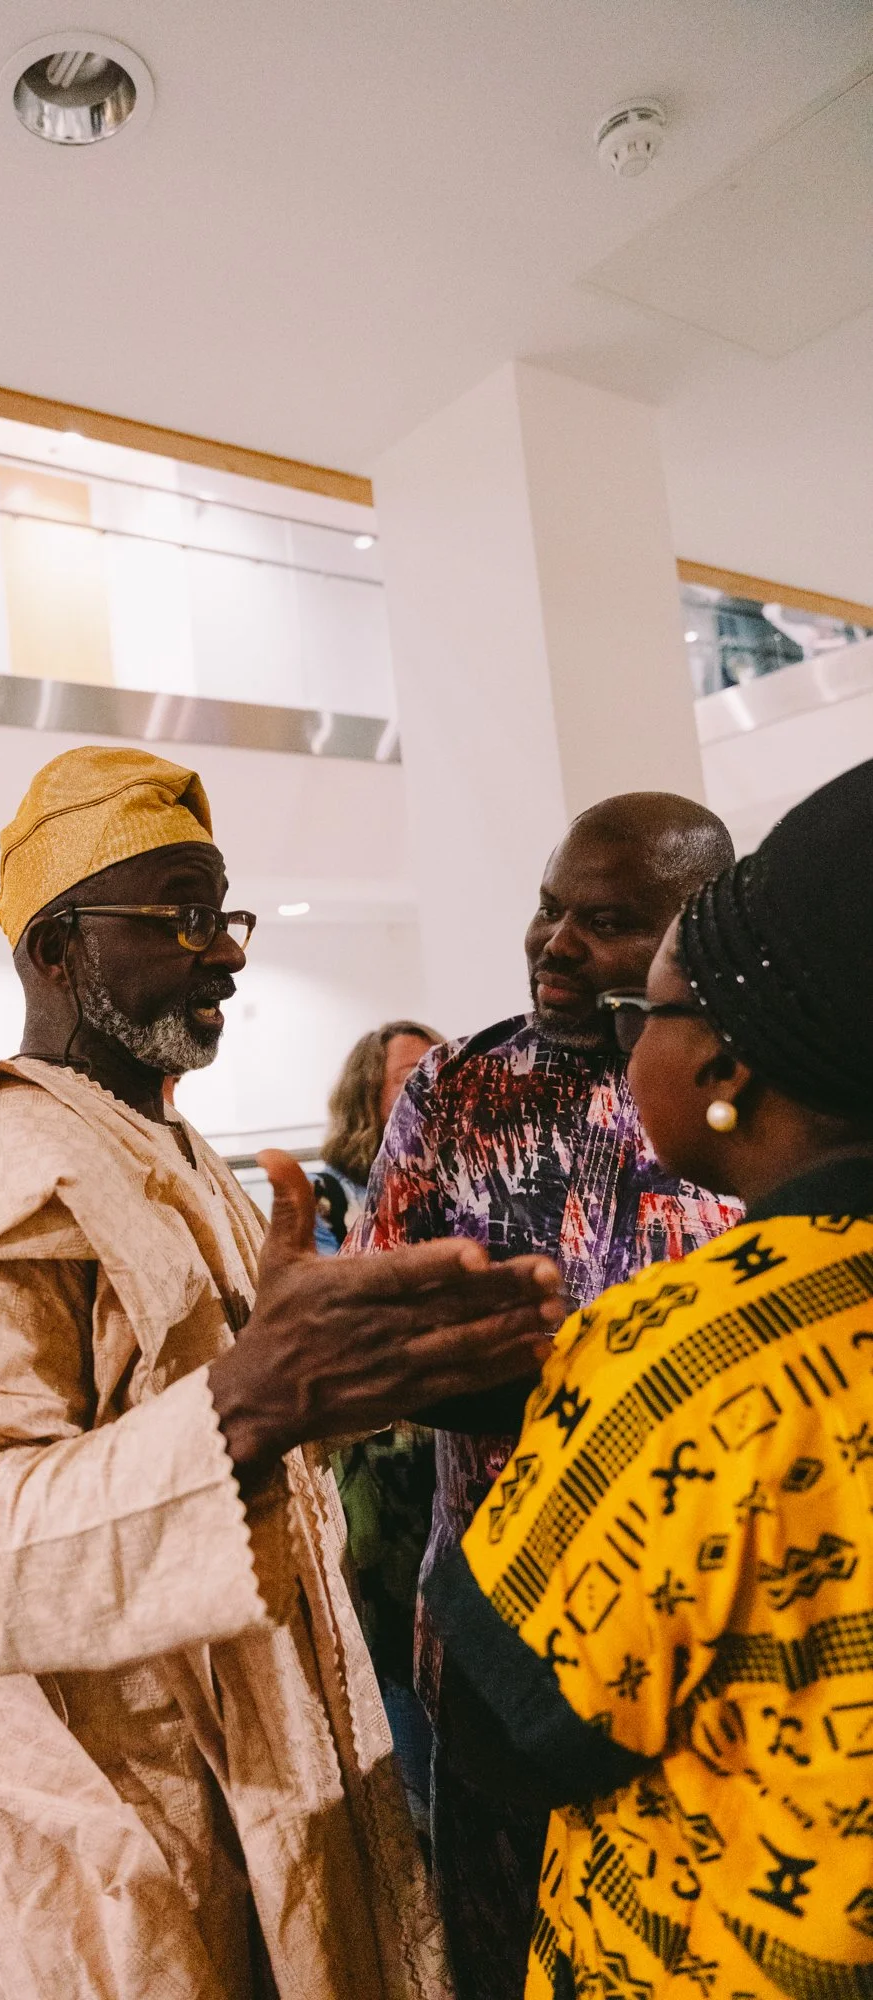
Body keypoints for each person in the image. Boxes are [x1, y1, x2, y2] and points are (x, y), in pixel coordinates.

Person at [0, 746, 566, 2000]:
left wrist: (372, 1378)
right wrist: (254, 1399)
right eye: (179, 913)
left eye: (222, 913)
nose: (226, 950)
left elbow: (211, 1425)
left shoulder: (167, 1142)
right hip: (94, 1817)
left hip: (245, 1747)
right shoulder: (4, 1171)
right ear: (55, 948)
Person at [430, 756, 873, 1998]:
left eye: (650, 1013)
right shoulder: (457, 1087)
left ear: (726, 1066)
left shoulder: (688, 1348)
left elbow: (509, 1723)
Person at [351, 792, 746, 2000]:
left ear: (697, 930)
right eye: (546, 906)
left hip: (717, 1654)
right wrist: (606, 1384)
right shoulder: (458, 1092)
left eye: (606, 920)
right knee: (500, 1957)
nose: (554, 943)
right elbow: (383, 1346)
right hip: (496, 1638)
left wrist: (531, 1361)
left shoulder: (761, 1084)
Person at [311, 1020, 444, 1842]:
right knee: (395, 1644)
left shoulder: (463, 1173)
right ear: (368, 1095)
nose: (430, 1084)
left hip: (444, 1457)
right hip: (380, 1471)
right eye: (408, 1075)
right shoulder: (329, 1194)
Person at [312, 1021, 443, 1255]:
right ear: (366, 1096)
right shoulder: (322, 1196)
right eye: (414, 1076)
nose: (437, 1087)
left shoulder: (473, 1186)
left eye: (445, 1072)